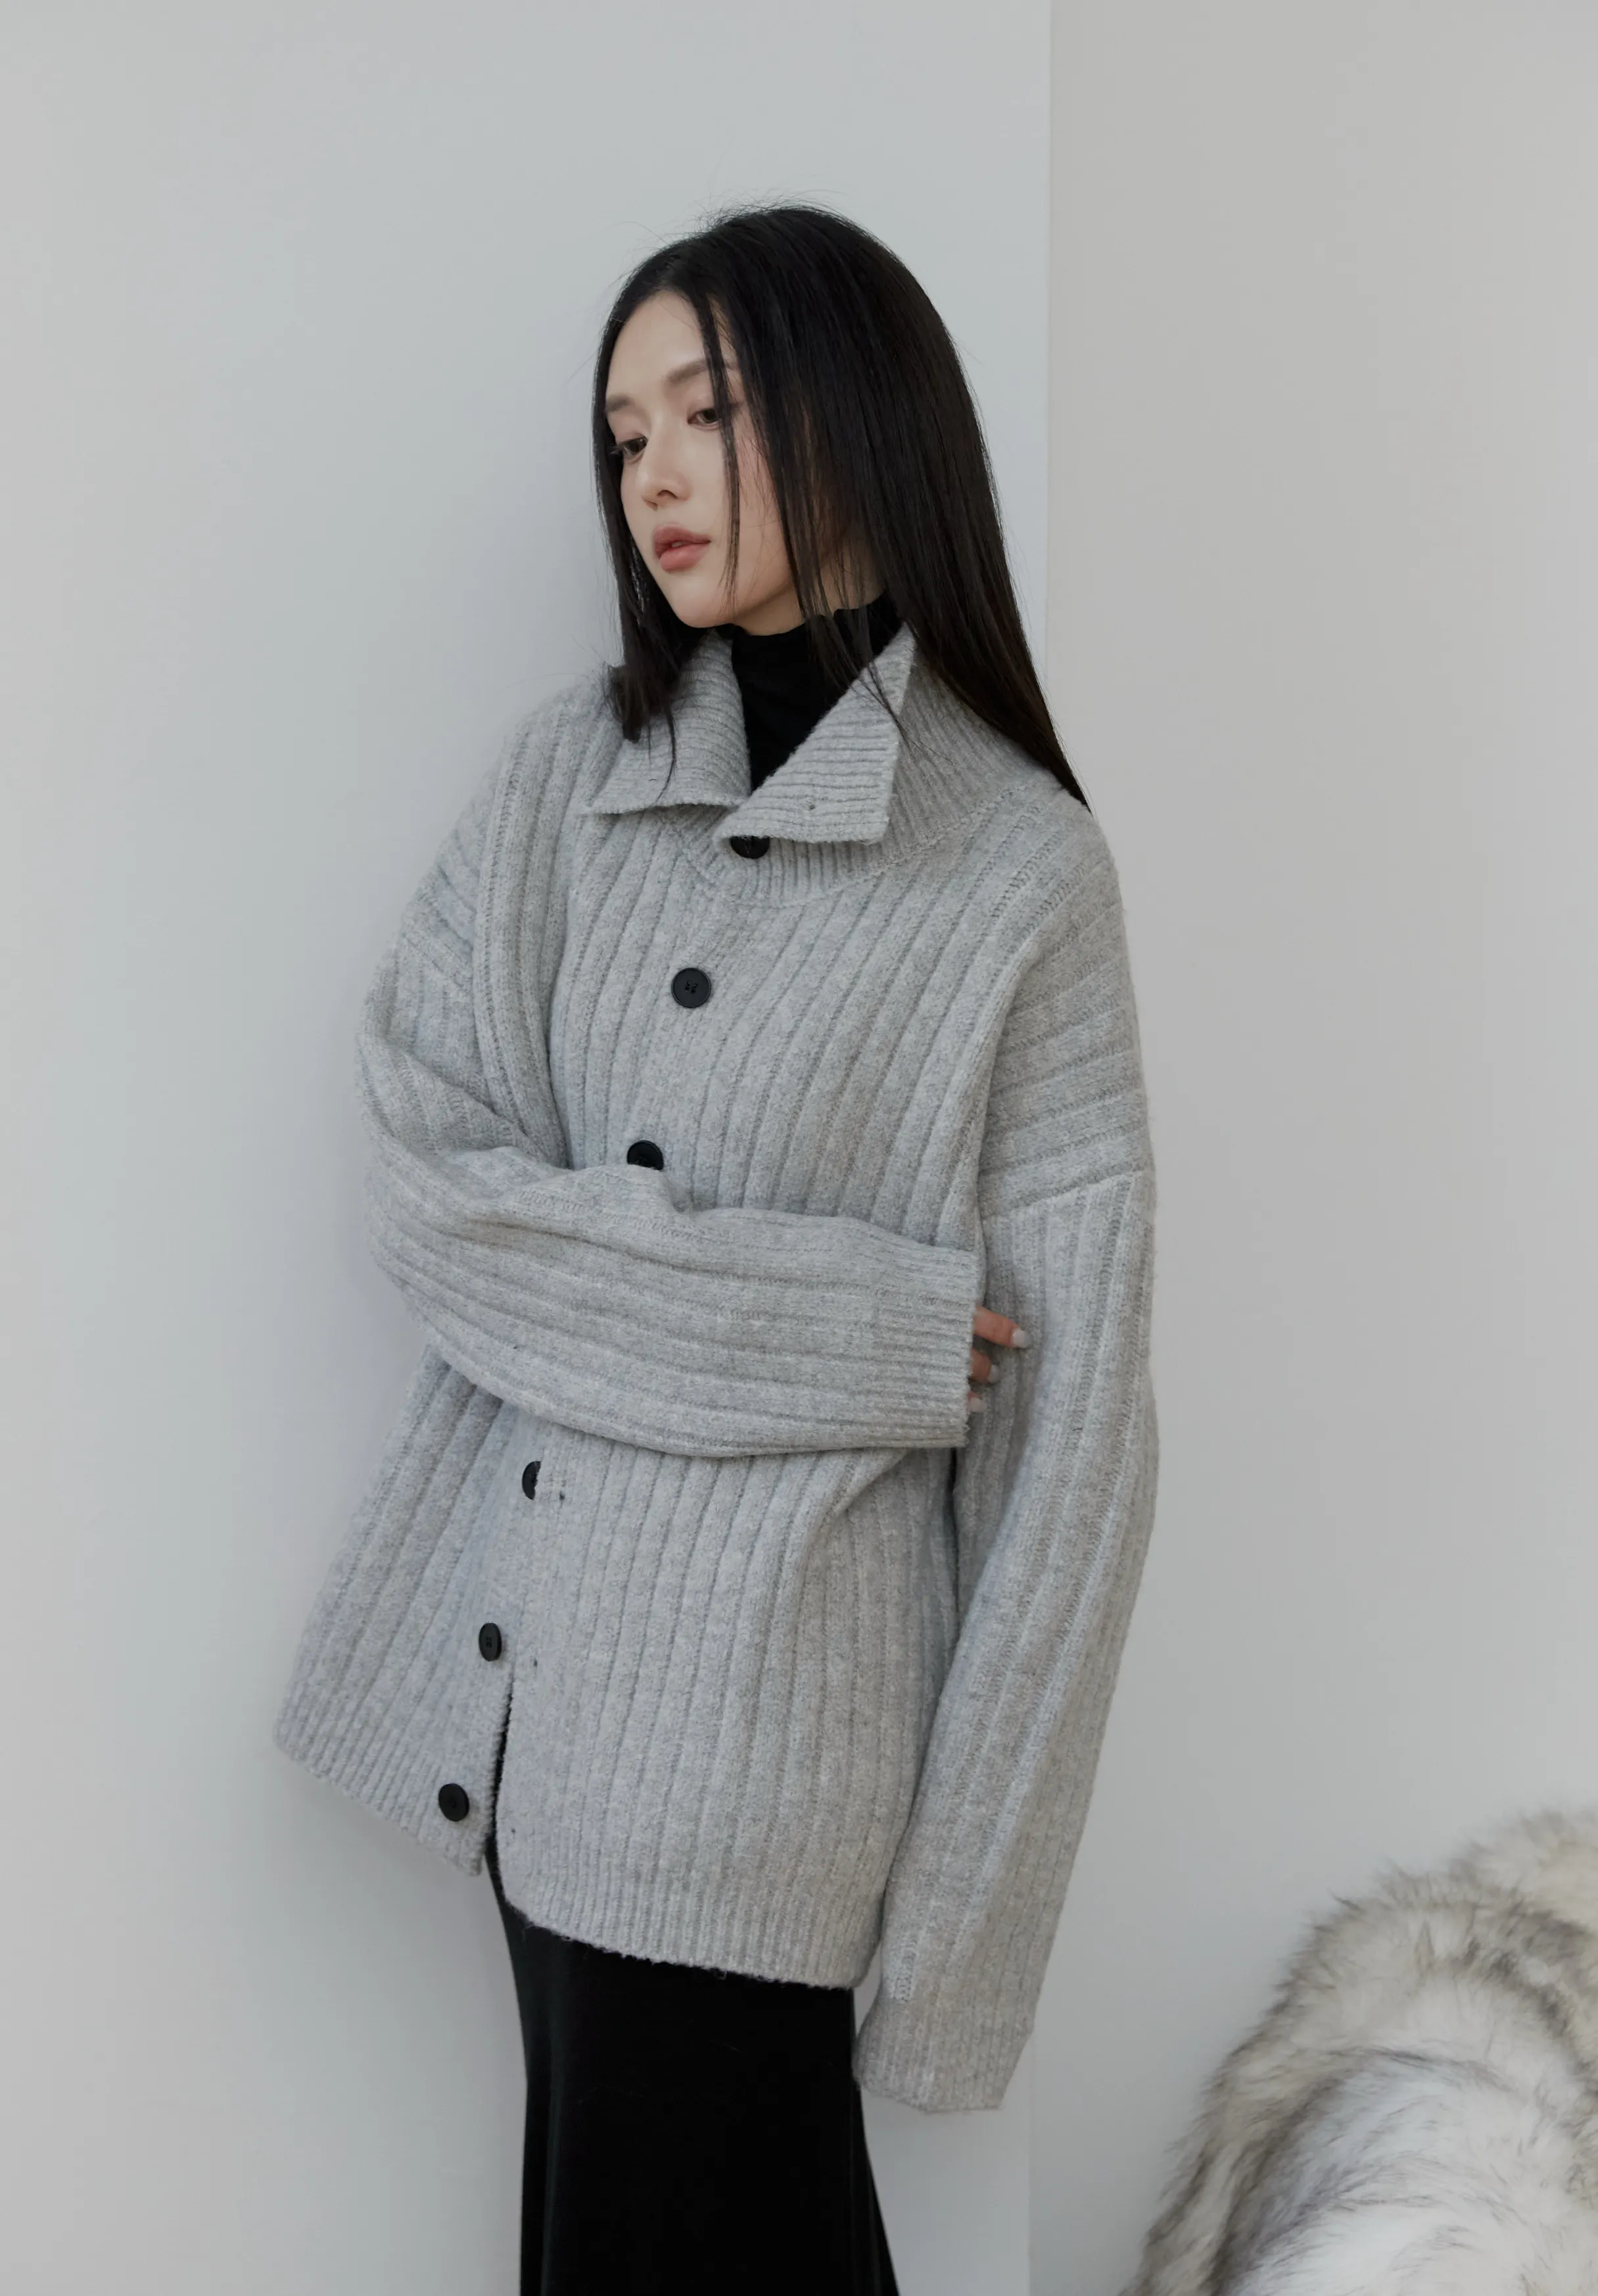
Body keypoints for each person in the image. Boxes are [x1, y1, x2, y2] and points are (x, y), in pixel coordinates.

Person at [275, 203, 1159, 2295]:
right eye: (623, 435)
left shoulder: (1019, 876)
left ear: (858, 412)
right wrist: (853, 1331)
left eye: (709, 410)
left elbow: (1074, 1464)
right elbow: (433, 1191)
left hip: (770, 1794)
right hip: (530, 1746)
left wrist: (959, 1947)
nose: (653, 474)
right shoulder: (563, 784)